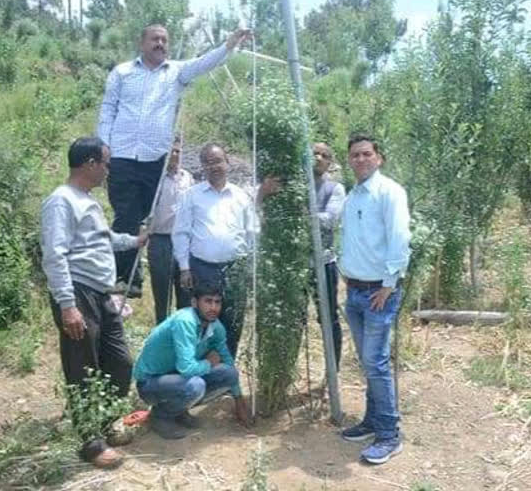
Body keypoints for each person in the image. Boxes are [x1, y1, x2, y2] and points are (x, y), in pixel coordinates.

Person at [97, 24, 252, 295]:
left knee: (145, 215)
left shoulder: (176, 72)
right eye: (155, 39)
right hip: (121, 153)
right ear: (142, 42)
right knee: (125, 213)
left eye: (165, 40)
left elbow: (206, 62)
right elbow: (108, 109)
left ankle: (140, 270)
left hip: (155, 157)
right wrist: (104, 146)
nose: (161, 44)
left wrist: (230, 44)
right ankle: (126, 279)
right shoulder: (122, 72)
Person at [40, 137, 148, 468]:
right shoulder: (61, 202)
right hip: (79, 293)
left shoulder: (88, 201)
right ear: (90, 164)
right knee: (83, 368)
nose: (108, 170)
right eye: (106, 163)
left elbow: (104, 240)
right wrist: (67, 305)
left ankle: (106, 420)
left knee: (119, 362)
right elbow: (55, 255)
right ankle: (90, 441)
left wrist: (135, 240)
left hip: (103, 294)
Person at [338, 134, 411, 465]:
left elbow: (400, 237)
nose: (361, 159)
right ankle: (371, 421)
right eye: (355, 155)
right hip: (354, 290)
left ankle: (389, 434)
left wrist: (389, 283)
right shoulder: (353, 196)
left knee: (376, 363)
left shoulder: (389, 192)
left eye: (367, 154)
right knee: (368, 362)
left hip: (378, 293)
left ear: (379, 158)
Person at [256, 143, 346, 370]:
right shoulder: (290, 185)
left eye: (324, 155)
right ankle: (286, 372)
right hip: (293, 264)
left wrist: (300, 214)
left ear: (329, 162)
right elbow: (267, 215)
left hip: (323, 263)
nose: (318, 157)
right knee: (293, 320)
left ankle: (332, 374)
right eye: (314, 153)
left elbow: (330, 220)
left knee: (328, 318)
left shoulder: (334, 188)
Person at [133, 282, 251, 440]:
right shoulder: (185, 321)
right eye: (208, 301)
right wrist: (209, 363)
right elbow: (186, 369)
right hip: (150, 382)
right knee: (195, 385)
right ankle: (160, 416)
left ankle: (178, 410)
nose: (213, 307)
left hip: (177, 378)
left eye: (217, 302)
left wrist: (239, 400)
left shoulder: (215, 326)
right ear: (195, 302)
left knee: (228, 373)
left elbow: (228, 362)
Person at [172, 143, 255, 358]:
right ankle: (199, 374)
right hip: (202, 269)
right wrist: (184, 268)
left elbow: (252, 232)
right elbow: (181, 233)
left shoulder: (241, 196)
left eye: (217, 161)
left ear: (227, 163)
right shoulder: (191, 195)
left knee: (232, 322)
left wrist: (250, 268)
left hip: (235, 269)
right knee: (201, 321)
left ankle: (225, 375)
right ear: (202, 167)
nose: (213, 166)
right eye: (208, 163)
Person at [148, 136, 194, 324]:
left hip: (185, 243)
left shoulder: (188, 177)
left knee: (186, 293)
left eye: (178, 151)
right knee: (162, 296)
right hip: (160, 241)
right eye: (171, 151)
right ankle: (162, 336)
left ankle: (183, 337)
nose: (175, 155)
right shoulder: (154, 180)